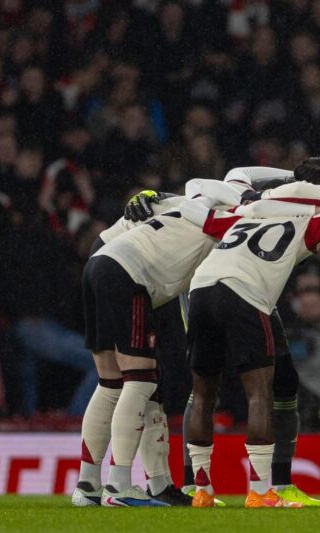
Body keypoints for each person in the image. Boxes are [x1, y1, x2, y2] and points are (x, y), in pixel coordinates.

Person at [181, 187, 320, 508]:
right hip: (245, 293)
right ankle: (260, 492)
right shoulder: (304, 224)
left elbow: (195, 207)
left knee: (203, 392)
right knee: (260, 393)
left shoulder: (241, 219)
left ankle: (201, 489)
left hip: (202, 290)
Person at [79, 178, 242, 507]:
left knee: (113, 383)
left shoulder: (179, 203)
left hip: (100, 261)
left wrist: (154, 195)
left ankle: (89, 485)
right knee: (143, 381)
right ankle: (120, 484)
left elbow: (172, 195)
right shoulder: (223, 221)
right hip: (135, 274)